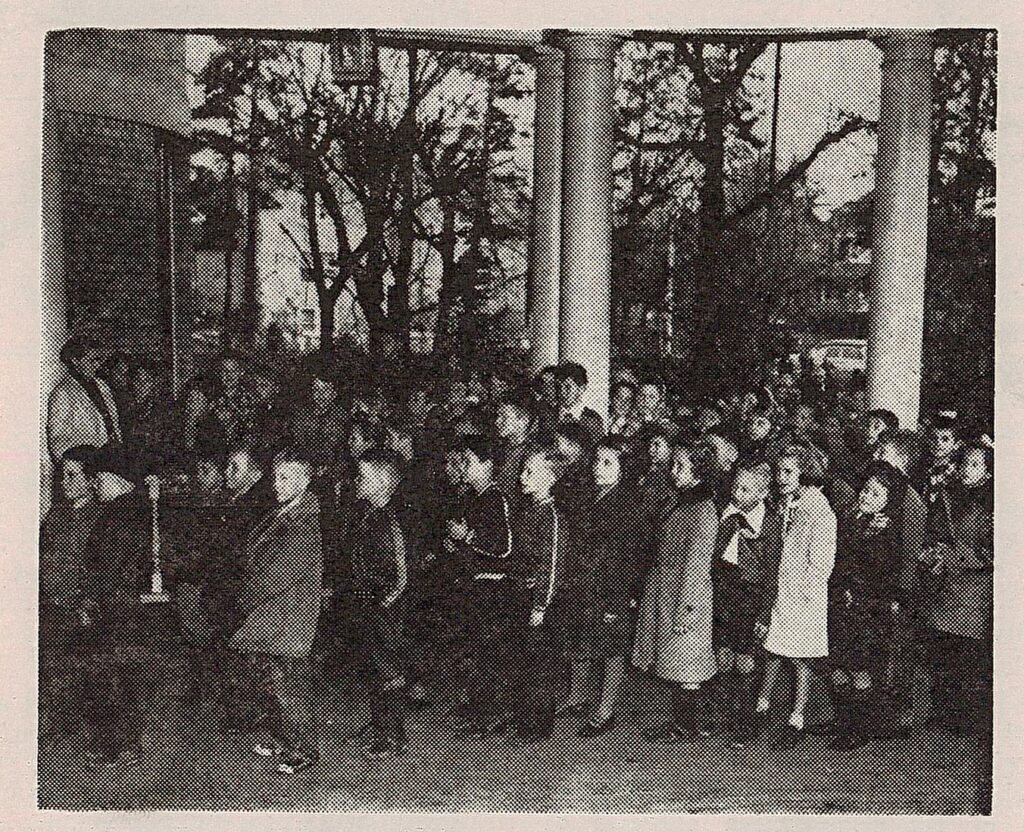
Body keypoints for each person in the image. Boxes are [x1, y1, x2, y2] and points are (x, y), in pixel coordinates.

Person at [228, 447, 324, 776]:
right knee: (268, 679)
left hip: (289, 615)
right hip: (270, 612)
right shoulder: (282, 512)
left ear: (304, 481)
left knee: (288, 686)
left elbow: (279, 573)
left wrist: (243, 595)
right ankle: (282, 737)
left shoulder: (304, 523)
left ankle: (303, 748)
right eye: (275, 478)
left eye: (286, 478)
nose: (277, 485)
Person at [632, 441, 719, 744]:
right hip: (668, 589)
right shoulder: (682, 501)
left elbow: (697, 565)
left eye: (681, 466)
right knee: (680, 662)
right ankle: (689, 723)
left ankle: (689, 725)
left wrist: (686, 610)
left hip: (685, 596)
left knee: (688, 664)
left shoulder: (703, 510)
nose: (674, 471)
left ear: (698, 471)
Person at [77, 445, 154, 769]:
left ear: (117, 479)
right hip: (124, 610)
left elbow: (106, 568)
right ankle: (124, 745)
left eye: (99, 479)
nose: (94, 484)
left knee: (110, 678)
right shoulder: (132, 509)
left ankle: (116, 747)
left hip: (114, 610)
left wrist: (90, 601)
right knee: (121, 679)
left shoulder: (120, 514)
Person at [756, 445, 837, 749]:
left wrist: (800, 594)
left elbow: (821, 565)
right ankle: (762, 706)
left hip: (803, 599)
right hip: (781, 592)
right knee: (773, 650)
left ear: (805, 472)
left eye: (788, 471)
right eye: (779, 471)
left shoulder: (820, 511)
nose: (780, 477)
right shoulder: (790, 503)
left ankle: (797, 718)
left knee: (801, 658)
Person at [828, 461, 909, 751]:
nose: (866, 495)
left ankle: (857, 727)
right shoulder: (850, 517)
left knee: (861, 667)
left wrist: (857, 589)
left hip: (868, 608)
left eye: (876, 494)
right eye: (865, 490)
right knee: (838, 663)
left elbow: (883, 570)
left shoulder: (887, 530)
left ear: (889, 503)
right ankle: (843, 718)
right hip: (842, 602)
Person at [918, 439, 993, 735]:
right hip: (944, 587)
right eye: (964, 463)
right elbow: (930, 535)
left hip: (974, 591)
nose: (966, 469)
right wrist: (931, 553)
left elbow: (992, 550)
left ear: (987, 473)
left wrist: (954, 557)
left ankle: (966, 717)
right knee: (943, 652)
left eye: (975, 465)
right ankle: (944, 711)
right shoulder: (946, 498)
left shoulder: (991, 505)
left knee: (969, 656)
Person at [571, 442, 643, 738]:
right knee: (584, 639)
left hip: (612, 589)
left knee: (612, 648)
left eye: (607, 463)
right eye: (597, 461)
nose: (597, 468)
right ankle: (578, 697)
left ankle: (605, 710)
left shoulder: (626, 505)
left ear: (623, 469)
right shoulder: (593, 496)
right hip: (588, 584)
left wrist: (619, 601)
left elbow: (629, 559)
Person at [344, 450, 410, 758]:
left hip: (384, 610)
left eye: (364, 476)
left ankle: (392, 735)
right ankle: (380, 722)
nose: (357, 480)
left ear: (383, 481)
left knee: (388, 670)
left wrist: (383, 608)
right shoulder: (367, 514)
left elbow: (400, 578)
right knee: (372, 668)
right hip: (367, 606)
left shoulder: (391, 522)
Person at [446, 436, 514, 737]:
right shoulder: (473, 497)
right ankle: (477, 704)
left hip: (494, 588)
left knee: (489, 652)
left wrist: (468, 537)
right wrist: (456, 545)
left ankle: (489, 714)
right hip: (474, 583)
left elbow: (503, 547)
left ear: (487, 465)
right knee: (473, 647)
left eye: (469, 462)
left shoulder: (497, 499)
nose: (464, 468)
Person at [711, 460, 781, 748]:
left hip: (751, 596)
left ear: (763, 493)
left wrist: (764, 614)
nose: (737, 493)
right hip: (726, 590)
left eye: (745, 489)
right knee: (724, 657)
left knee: (746, 661)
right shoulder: (727, 513)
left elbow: (772, 572)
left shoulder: (771, 522)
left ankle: (746, 723)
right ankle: (726, 714)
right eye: (735, 486)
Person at [39, 445, 101, 742]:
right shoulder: (55, 517)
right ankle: (60, 721)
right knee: (52, 664)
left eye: (74, 476)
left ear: (92, 481)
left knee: (78, 665)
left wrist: (86, 603)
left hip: (80, 605)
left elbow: (98, 570)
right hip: (53, 601)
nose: (66, 483)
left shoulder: (100, 519)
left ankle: (75, 723)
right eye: (63, 476)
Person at [512, 450, 571, 742]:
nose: (523, 477)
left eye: (530, 473)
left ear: (550, 480)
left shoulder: (551, 515)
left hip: (542, 604)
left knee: (540, 666)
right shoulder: (529, 511)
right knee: (525, 661)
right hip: (522, 595)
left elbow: (552, 564)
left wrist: (541, 605)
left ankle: (537, 726)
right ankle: (524, 719)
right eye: (523, 471)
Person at [47, 334, 123, 463]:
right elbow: (57, 441)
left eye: (99, 360)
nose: (97, 365)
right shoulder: (63, 393)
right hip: (86, 462)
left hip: (111, 457)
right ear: (75, 361)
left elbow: (113, 424)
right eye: (92, 360)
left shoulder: (102, 386)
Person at [555, 362, 605, 445]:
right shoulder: (548, 415)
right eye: (559, 386)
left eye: (568, 387)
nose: (562, 392)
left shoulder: (592, 420)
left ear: (581, 389)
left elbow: (598, 452)